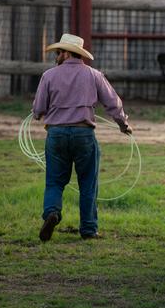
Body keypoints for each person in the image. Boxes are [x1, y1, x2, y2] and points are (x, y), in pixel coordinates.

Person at [32, 33, 132, 242]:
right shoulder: (94, 75)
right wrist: (123, 124)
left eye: (59, 52)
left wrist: (37, 113)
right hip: (83, 133)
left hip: (56, 134)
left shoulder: (48, 76)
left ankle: (52, 212)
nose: (57, 56)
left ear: (67, 53)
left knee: (54, 181)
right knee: (88, 182)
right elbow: (113, 103)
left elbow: (39, 109)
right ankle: (88, 229)